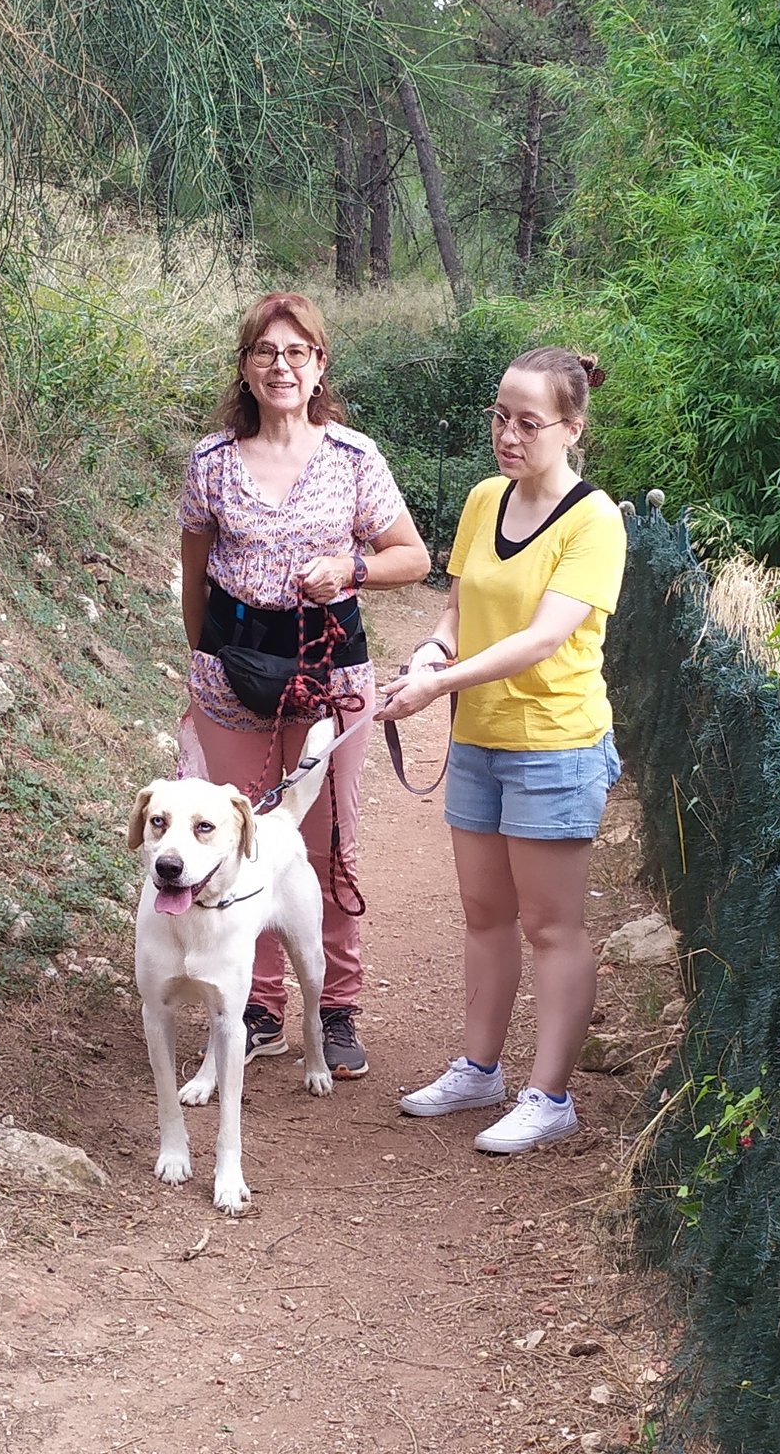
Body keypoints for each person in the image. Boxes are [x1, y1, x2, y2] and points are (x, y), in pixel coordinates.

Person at [375, 345, 626, 1154]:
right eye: (498, 417)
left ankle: (549, 1097)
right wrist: (429, 655)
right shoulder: (485, 499)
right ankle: (478, 1069)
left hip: (553, 745)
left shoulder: (594, 521)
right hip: (479, 739)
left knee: (551, 927)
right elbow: (458, 614)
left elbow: (542, 639)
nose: (507, 436)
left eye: (527, 423)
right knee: (484, 915)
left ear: (570, 428)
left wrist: (436, 688)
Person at [179, 290, 429, 1081]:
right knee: (235, 839)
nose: (280, 366)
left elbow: (412, 557)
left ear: (319, 365)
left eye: (296, 352)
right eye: (265, 351)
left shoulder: (353, 458)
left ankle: (336, 1007)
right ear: (245, 366)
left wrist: (351, 570)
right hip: (230, 672)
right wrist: (204, 662)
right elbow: (194, 574)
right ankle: (257, 1008)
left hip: (328, 674)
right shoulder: (210, 462)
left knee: (324, 845)